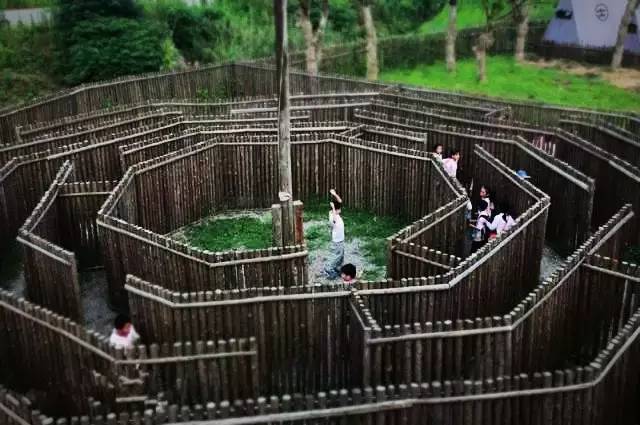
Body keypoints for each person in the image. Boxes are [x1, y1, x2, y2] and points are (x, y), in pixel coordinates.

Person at [324, 189, 345, 280]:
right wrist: (333, 207)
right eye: (339, 209)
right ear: (335, 210)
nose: (341, 210)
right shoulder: (332, 216)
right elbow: (334, 221)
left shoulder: (335, 213)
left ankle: (338, 269)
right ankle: (329, 269)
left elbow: (340, 201)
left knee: (341, 256)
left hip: (341, 238)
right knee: (337, 256)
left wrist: (335, 194)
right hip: (337, 240)